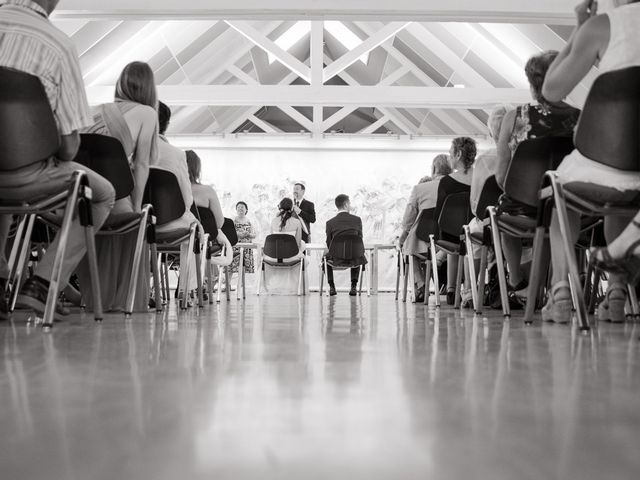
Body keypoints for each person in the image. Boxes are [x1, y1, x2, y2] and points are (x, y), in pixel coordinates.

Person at [0, 0, 115, 321]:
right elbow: (67, 148)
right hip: (27, 174)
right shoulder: (59, 46)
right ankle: (42, 283)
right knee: (101, 195)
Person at [541, 0, 640, 323]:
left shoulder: (604, 26)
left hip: (602, 164)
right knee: (625, 189)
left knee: (561, 193)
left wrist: (580, 30)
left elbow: (552, 90)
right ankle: (615, 292)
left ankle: (560, 292)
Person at [495, 51, 580, 300]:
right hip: (568, 206)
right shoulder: (580, 118)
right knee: (555, 216)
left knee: (504, 214)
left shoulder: (514, 118)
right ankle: (557, 285)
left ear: (532, 84)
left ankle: (516, 281)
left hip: (521, 207)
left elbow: (502, 177)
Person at [77, 61, 158, 312]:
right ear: (149, 89)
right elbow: (141, 165)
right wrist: (136, 205)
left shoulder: (96, 110)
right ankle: (123, 300)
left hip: (82, 201)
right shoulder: (147, 113)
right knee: (133, 221)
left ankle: (93, 297)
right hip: (114, 197)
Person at [400, 137, 477, 303]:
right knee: (460, 242)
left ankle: (423, 285)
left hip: (432, 238)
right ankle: (456, 288)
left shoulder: (427, 187)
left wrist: (404, 232)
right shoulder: (475, 179)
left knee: (409, 244)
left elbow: (411, 219)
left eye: (451, 153)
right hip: (468, 232)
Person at [153, 102, 200, 298]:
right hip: (170, 224)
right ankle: (187, 291)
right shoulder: (176, 155)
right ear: (167, 124)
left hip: (136, 222)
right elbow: (187, 200)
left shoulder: (131, 150)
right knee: (196, 230)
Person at [324, 194, 366, 296]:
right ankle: (354, 286)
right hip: (354, 259)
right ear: (346, 205)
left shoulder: (330, 223)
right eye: (350, 203)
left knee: (325, 257)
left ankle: (332, 286)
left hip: (336, 259)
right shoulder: (357, 220)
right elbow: (359, 239)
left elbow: (329, 243)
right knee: (358, 252)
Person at [187, 150, 224, 231]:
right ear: (197, 169)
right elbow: (218, 223)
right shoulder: (208, 191)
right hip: (200, 237)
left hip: (172, 236)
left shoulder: (170, 190)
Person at [230, 201, 256, 276]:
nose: (240, 208)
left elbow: (254, 235)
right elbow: (229, 233)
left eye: (242, 207)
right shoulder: (233, 220)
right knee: (232, 267)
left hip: (247, 247)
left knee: (244, 268)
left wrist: (248, 234)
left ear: (246, 210)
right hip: (236, 246)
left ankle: (242, 285)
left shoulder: (249, 221)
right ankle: (228, 284)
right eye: (238, 207)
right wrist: (238, 234)